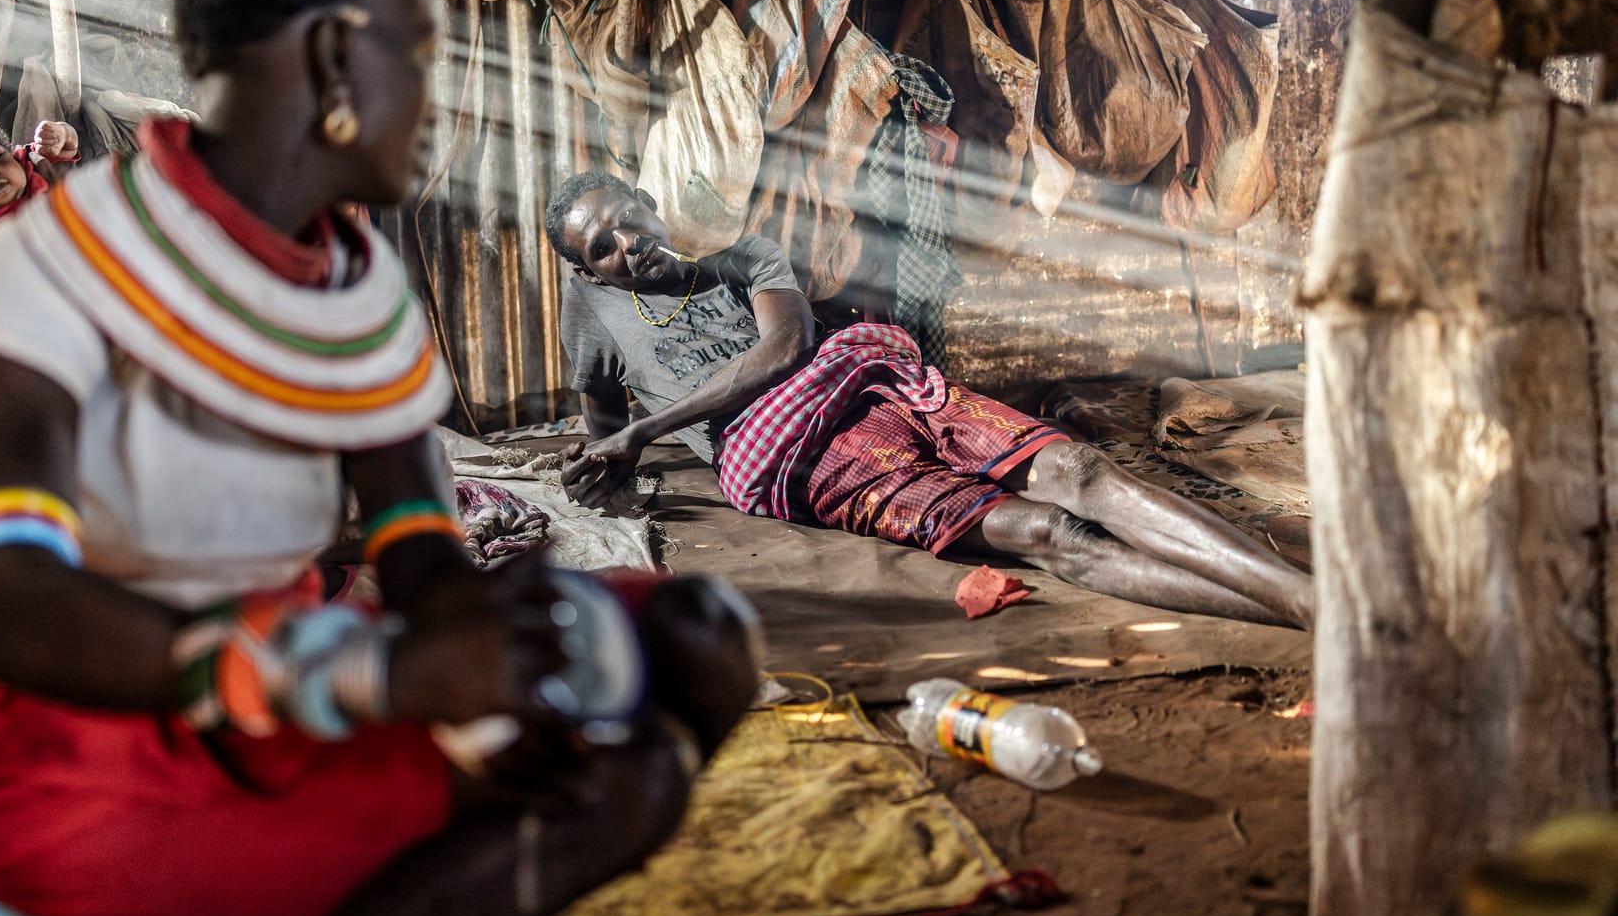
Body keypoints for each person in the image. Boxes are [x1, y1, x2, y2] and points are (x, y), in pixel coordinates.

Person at [0, 0, 758, 916]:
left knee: (693, 639)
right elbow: (9, 606)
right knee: (626, 783)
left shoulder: (354, 286)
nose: (435, 97)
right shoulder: (60, 270)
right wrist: (370, 675)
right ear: (331, 56)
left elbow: (416, 543)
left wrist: (481, 629)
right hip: (78, 743)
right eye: (419, 54)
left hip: (277, 689)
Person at [545, 170, 1313, 630]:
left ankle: (1311, 604)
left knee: (1081, 472)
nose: (627, 246)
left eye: (627, 222)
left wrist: (647, 428)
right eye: (601, 248)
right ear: (587, 272)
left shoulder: (747, 256)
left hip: (874, 383)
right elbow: (605, 429)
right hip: (794, 458)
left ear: (648, 202)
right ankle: (1314, 609)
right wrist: (610, 459)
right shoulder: (592, 312)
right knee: (1050, 533)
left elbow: (786, 347)